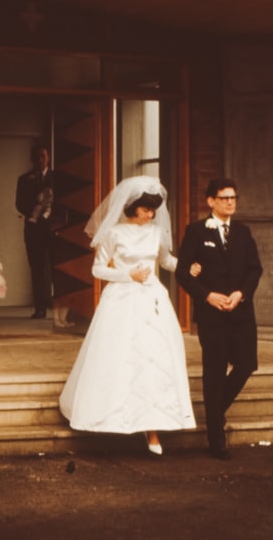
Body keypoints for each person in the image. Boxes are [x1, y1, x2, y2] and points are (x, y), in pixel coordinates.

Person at [59, 176, 196, 455]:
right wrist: (127, 274)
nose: (151, 215)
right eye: (146, 210)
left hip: (151, 299)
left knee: (154, 360)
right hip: (122, 299)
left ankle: (153, 429)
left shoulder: (156, 233)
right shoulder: (114, 233)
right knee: (120, 358)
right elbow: (97, 270)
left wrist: (186, 268)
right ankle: (115, 417)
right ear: (132, 207)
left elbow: (166, 260)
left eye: (153, 210)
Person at [176, 178, 263, 460]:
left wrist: (240, 293)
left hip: (240, 312)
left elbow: (255, 269)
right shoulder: (196, 231)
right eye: (224, 198)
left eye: (233, 198)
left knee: (247, 364)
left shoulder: (243, 232)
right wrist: (207, 296)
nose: (230, 202)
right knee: (213, 373)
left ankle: (214, 412)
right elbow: (183, 273)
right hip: (212, 315)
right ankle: (217, 437)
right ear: (210, 201)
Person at [15, 142, 56, 319]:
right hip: (33, 228)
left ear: (48, 157)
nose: (40, 160)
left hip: (54, 228)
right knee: (37, 268)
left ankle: (59, 307)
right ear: (32, 159)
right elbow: (19, 203)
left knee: (56, 268)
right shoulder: (24, 179)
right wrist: (36, 208)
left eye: (43, 156)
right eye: (37, 156)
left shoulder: (56, 177)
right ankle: (40, 307)